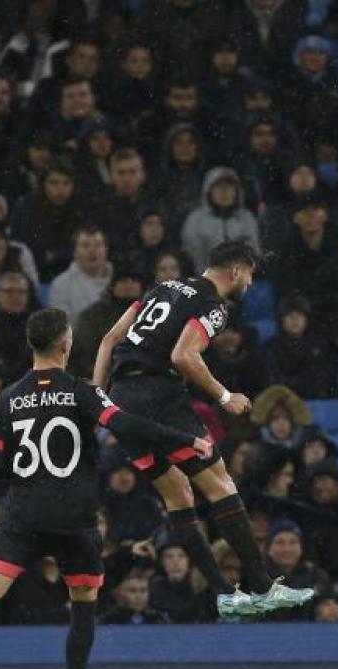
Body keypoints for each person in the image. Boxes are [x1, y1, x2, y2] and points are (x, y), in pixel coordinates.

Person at [0, 308, 215, 669]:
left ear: (32, 344)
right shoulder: (81, 391)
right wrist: (186, 439)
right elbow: (125, 424)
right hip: (75, 517)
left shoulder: (9, 397)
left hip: (22, 515)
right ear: (66, 345)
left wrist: (23, 490)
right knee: (84, 604)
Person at [93, 240, 314, 618]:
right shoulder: (212, 305)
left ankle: (225, 591)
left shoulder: (162, 288)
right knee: (220, 484)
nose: (250, 283)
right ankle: (261, 585)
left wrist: (99, 397)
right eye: (250, 275)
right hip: (159, 395)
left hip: (124, 399)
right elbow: (183, 355)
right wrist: (224, 396)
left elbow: (109, 339)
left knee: (179, 495)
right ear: (236, 271)